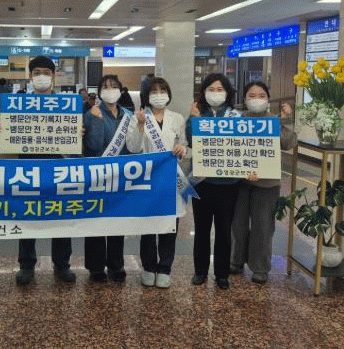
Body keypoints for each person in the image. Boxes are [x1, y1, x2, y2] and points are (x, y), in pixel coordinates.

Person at [16, 56, 76, 285]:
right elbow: (7, 144)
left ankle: (62, 264)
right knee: (27, 217)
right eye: (37, 73)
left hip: (58, 168)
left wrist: (78, 132)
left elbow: (78, 142)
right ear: (30, 77)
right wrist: (2, 130)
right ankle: (26, 265)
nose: (41, 77)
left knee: (61, 217)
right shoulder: (18, 104)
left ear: (53, 77)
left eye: (46, 73)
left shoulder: (66, 105)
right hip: (27, 168)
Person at [230, 82, 297, 284]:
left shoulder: (274, 121)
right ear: (244, 99)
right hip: (239, 182)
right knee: (238, 225)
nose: (256, 99)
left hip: (267, 183)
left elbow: (288, 143)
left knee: (263, 226)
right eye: (252, 95)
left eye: (261, 95)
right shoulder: (235, 120)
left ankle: (260, 267)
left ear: (268, 99)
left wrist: (286, 120)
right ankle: (235, 260)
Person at [126, 77, 187, 288]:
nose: (159, 94)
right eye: (154, 91)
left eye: (163, 90)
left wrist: (182, 149)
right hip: (147, 180)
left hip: (170, 180)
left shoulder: (177, 118)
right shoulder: (139, 117)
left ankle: (165, 268)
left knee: (169, 227)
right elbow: (133, 148)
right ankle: (149, 267)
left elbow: (185, 144)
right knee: (149, 226)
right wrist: (141, 125)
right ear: (146, 95)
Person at [186, 73, 242, 290]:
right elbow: (191, 141)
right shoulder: (197, 113)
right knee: (201, 229)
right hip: (202, 182)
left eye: (220, 90)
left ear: (227, 93)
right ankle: (200, 271)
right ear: (203, 92)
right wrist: (194, 120)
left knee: (224, 231)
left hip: (229, 184)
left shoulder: (236, 116)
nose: (215, 93)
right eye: (211, 89)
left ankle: (222, 274)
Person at [83, 75, 132, 283]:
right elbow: (93, 145)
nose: (110, 90)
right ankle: (95, 267)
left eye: (114, 87)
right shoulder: (92, 114)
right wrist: (95, 120)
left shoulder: (128, 116)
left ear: (120, 90)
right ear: (100, 92)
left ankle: (116, 264)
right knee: (95, 220)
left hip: (121, 176)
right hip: (97, 175)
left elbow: (134, 147)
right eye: (106, 87)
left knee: (117, 221)